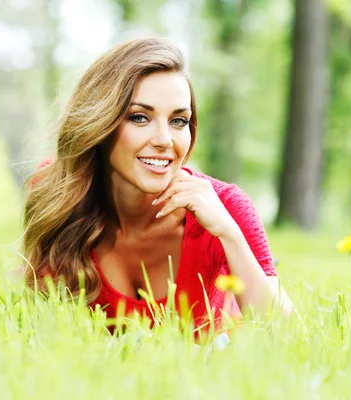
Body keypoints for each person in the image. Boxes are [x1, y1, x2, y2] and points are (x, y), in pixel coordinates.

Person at [22, 37, 292, 330]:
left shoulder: (224, 206)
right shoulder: (60, 191)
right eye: (140, 118)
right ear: (102, 123)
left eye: (179, 121)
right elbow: (40, 323)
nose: (164, 140)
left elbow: (286, 333)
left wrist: (229, 234)